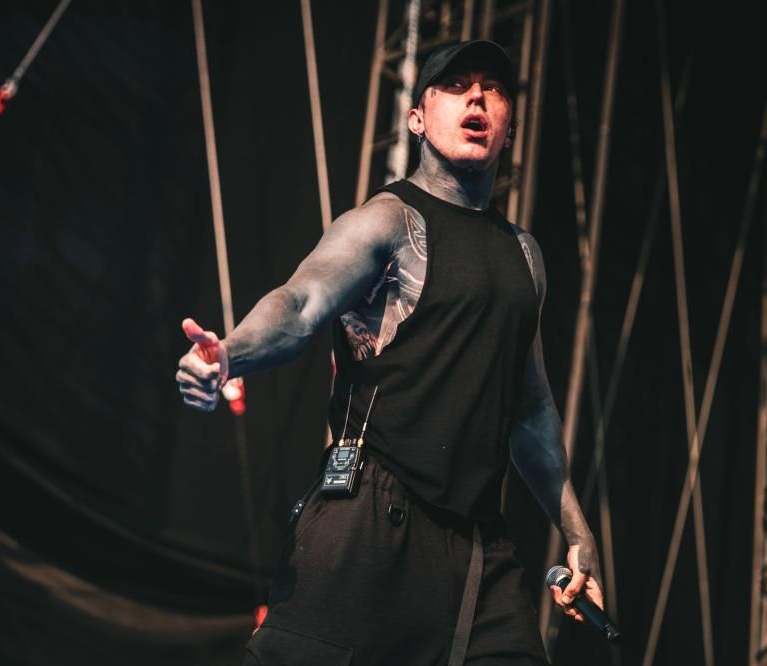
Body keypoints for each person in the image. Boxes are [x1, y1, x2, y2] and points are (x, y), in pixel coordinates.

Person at [176, 40, 604, 666]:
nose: (477, 97)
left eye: (492, 88)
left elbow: (531, 411)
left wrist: (577, 530)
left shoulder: (525, 256)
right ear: (417, 118)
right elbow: (301, 303)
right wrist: (228, 355)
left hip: (477, 546)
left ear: (509, 129)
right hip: (371, 520)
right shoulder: (386, 221)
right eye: (455, 86)